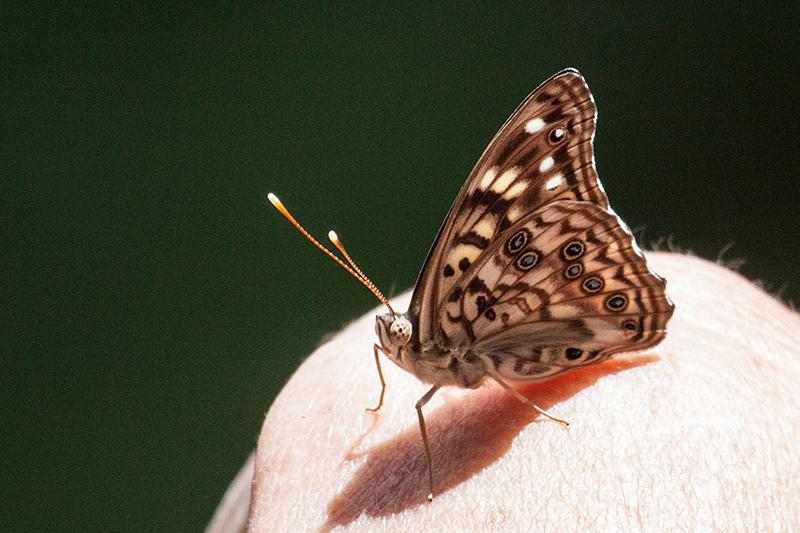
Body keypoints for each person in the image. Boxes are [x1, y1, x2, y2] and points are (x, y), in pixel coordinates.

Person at [234, 253, 800, 532]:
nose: (390, 336)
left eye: (397, 329)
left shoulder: (444, 330)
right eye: (391, 333)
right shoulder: (411, 345)